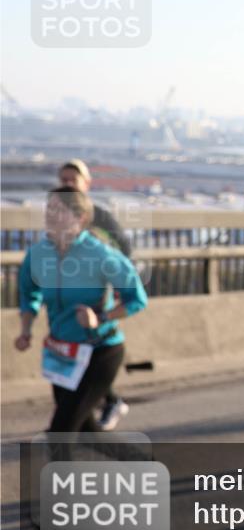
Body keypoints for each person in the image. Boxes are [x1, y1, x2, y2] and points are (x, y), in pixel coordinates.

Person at [13, 187, 148, 530]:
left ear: (80, 219)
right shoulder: (39, 253)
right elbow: (29, 293)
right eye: (48, 208)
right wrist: (26, 328)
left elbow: (137, 298)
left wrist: (100, 315)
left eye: (59, 210)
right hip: (62, 355)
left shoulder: (101, 255)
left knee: (60, 433)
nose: (50, 215)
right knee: (85, 431)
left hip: (100, 352)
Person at [58, 159, 134, 430]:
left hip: (97, 301)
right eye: (63, 179)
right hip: (67, 301)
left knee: (96, 350)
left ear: (86, 184)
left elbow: (124, 248)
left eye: (73, 180)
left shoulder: (98, 217)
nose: (67, 184)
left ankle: (107, 401)